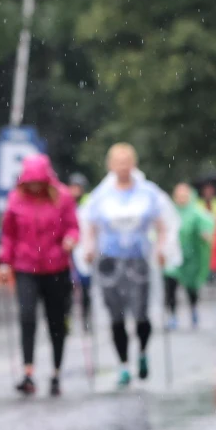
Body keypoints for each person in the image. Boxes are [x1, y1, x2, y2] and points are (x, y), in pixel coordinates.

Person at [79, 143, 169, 387]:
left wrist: (162, 248)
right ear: (110, 166)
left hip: (138, 259)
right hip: (108, 260)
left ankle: (141, 352)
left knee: (140, 312)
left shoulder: (148, 193)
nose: (122, 166)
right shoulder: (100, 196)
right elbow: (90, 226)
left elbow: (162, 224)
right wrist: (88, 249)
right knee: (116, 314)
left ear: (134, 164)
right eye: (118, 162)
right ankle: (123, 365)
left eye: (126, 161)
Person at [0, 154, 79, 396]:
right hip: (26, 267)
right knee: (27, 316)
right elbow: (9, 234)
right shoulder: (15, 199)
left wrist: (71, 239)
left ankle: (56, 372)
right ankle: (28, 372)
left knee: (57, 320)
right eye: (30, 182)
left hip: (56, 267)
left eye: (38, 182)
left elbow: (73, 225)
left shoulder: (62, 197)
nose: (34, 187)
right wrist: (4, 262)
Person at [164, 182, 214, 329]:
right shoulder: (170, 212)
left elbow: (205, 224)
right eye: (179, 195)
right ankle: (172, 314)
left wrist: (205, 234)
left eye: (184, 195)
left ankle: (193, 309)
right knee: (170, 286)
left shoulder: (195, 212)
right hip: (172, 256)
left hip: (190, 256)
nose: (181, 198)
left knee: (191, 287)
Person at [66, 172, 94, 330]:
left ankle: (86, 318)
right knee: (68, 288)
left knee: (85, 288)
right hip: (69, 250)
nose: (75, 191)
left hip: (84, 250)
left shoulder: (89, 204)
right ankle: (66, 319)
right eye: (72, 187)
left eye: (78, 188)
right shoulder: (65, 202)